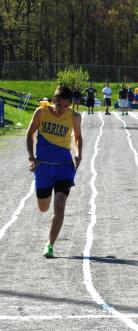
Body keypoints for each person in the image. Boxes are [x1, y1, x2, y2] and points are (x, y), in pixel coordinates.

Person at [25, 85, 82, 258]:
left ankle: (50, 245)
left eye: (66, 106)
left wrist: (79, 154)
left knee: (60, 205)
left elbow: (78, 138)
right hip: (43, 167)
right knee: (43, 208)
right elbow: (29, 134)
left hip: (64, 167)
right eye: (59, 106)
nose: (62, 110)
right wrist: (31, 157)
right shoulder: (41, 112)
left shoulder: (74, 117)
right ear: (53, 101)